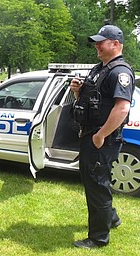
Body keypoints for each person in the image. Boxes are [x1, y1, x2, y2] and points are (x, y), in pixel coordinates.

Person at [70, 25, 135, 248]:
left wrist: (100, 136)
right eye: (96, 42)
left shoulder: (120, 72)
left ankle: (98, 238)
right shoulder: (100, 69)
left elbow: (122, 109)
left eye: (101, 42)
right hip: (90, 134)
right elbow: (91, 101)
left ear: (115, 44)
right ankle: (112, 218)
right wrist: (77, 91)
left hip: (101, 138)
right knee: (94, 182)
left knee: (97, 185)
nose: (97, 45)